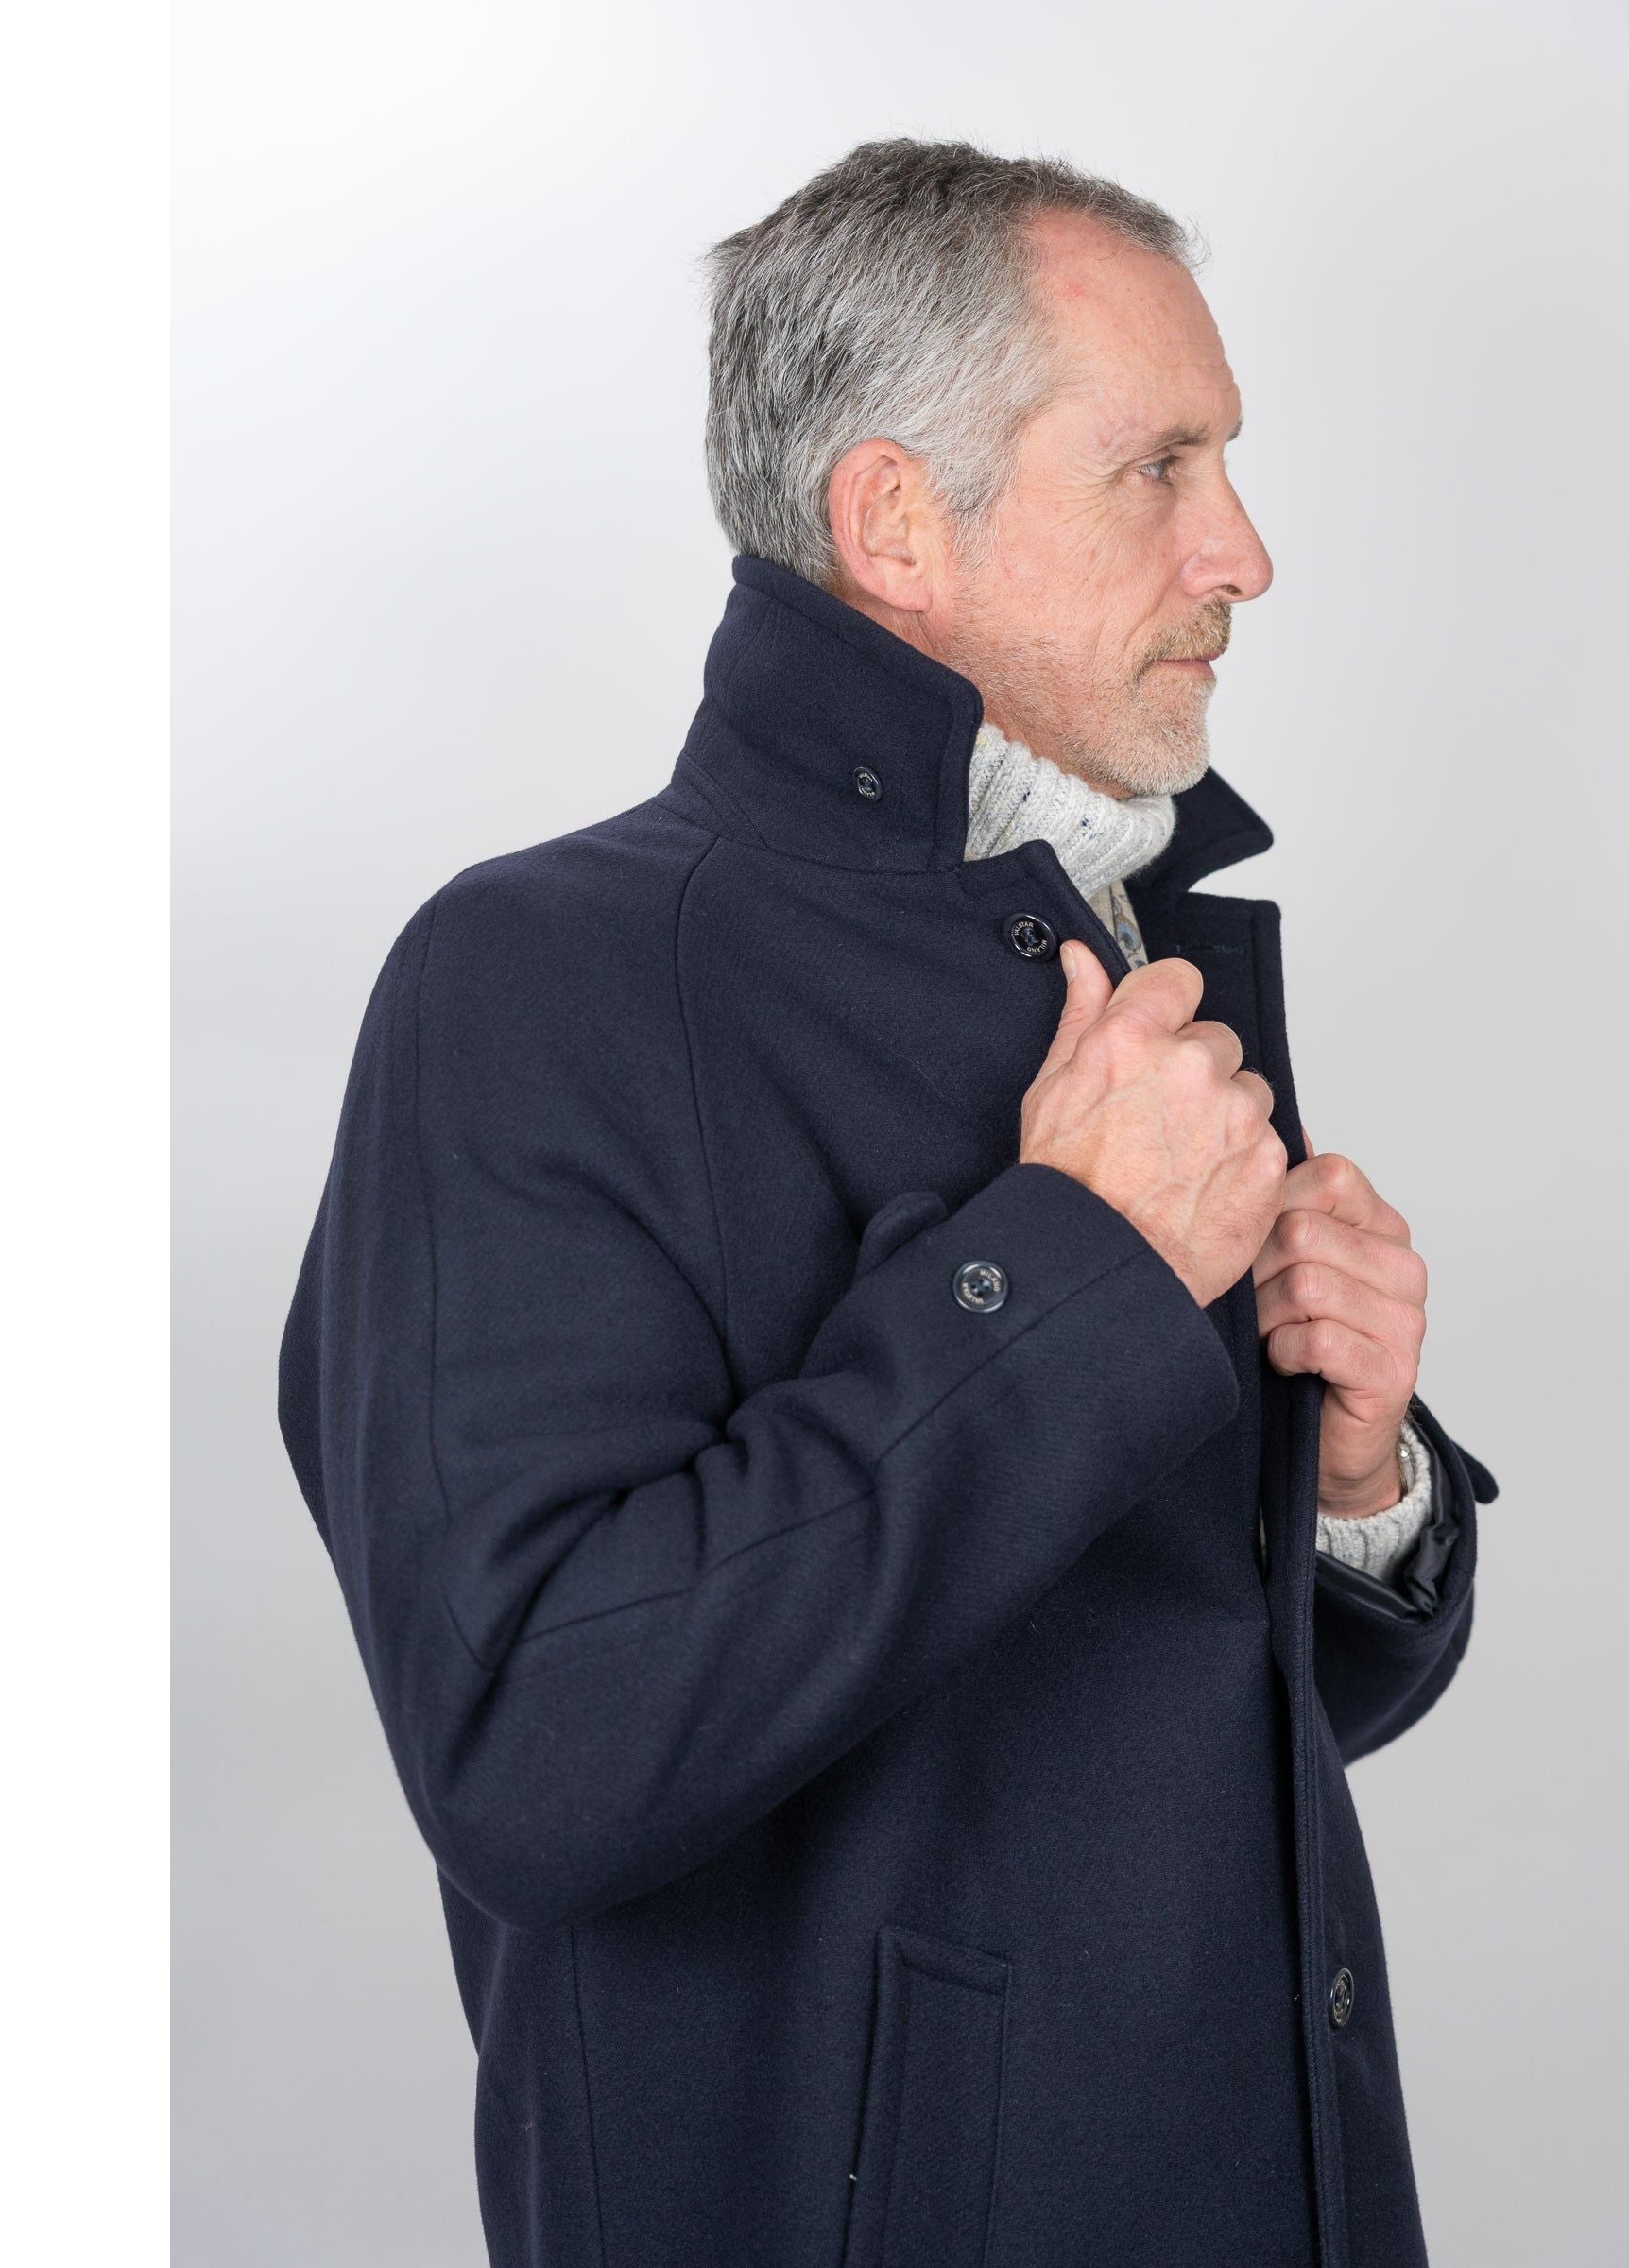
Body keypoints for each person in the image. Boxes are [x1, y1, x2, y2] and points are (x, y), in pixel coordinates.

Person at [278, 135, 1500, 2268]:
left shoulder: (1119, 952)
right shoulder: (534, 980)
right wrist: (1082, 1270)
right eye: (1160, 467)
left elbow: (1164, 1716)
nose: (1245, 551)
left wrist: (1354, 1485)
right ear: (895, 523)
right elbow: (536, 1745)